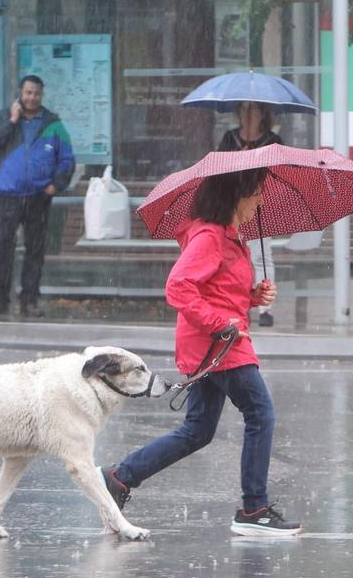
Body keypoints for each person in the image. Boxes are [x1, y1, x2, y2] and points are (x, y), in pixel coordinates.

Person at [99, 167, 302, 537]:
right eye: (256, 192)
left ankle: (119, 478)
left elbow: (218, 290)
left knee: (198, 430)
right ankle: (253, 508)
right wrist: (219, 323)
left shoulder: (230, 238)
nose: (260, 200)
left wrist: (252, 296)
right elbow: (178, 287)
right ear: (237, 195)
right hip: (220, 345)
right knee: (260, 414)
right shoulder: (210, 236)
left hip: (212, 344)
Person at [0, 75, 75, 318]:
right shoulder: (3, 117)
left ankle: (29, 301)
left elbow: (67, 159)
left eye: (36, 93)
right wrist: (11, 121)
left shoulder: (53, 124)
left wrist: (56, 185)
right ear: (20, 93)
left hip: (38, 197)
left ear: (42, 95)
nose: (32, 97)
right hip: (9, 195)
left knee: (35, 250)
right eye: (28, 93)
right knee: (3, 248)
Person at [218, 101, 281, 327]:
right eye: (243, 109)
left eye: (252, 109)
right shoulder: (230, 138)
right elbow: (219, 170)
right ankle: (237, 302)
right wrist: (238, 161)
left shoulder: (272, 141)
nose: (247, 114)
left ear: (262, 113)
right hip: (233, 205)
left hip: (259, 204)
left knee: (261, 255)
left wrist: (256, 163)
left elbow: (279, 173)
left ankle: (265, 308)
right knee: (234, 255)